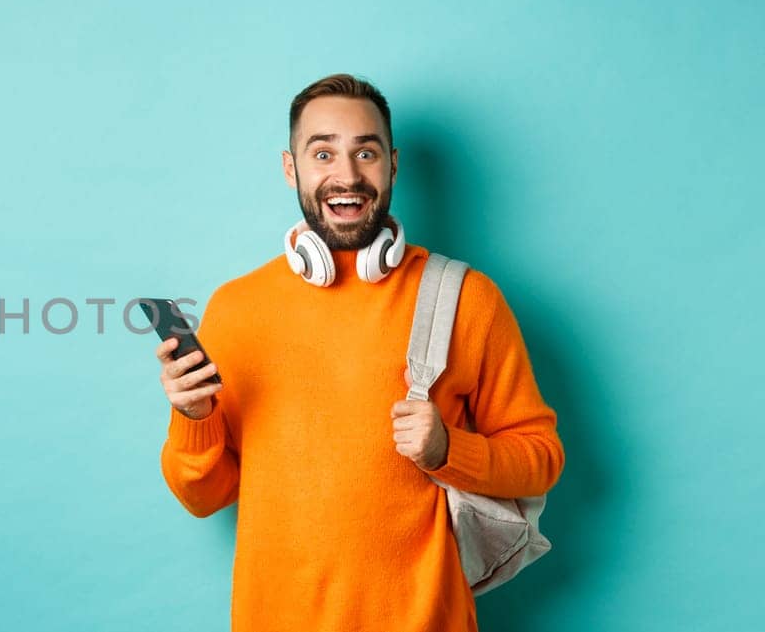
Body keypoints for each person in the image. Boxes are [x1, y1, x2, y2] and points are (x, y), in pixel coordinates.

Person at [155, 73, 565, 631]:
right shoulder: (236, 308)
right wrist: (193, 417)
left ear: (392, 165)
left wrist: (449, 449)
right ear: (290, 167)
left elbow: (542, 457)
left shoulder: (464, 298)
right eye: (322, 152)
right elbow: (204, 498)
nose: (346, 176)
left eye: (365, 152)